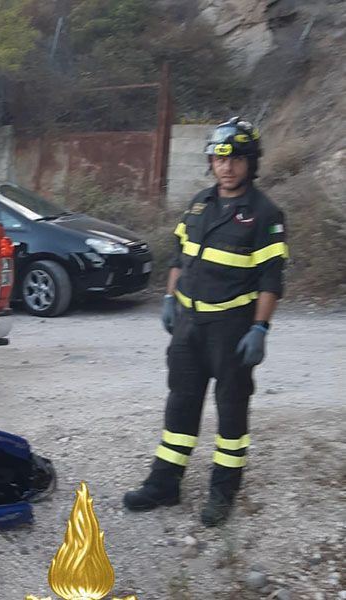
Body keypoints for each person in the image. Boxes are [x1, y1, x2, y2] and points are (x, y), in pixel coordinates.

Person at [123, 117, 288, 527]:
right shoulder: (199, 203)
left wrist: (260, 328)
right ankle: (165, 484)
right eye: (218, 158)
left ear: (251, 162)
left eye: (234, 159)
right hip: (189, 324)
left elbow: (271, 279)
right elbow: (181, 255)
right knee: (180, 404)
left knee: (231, 414)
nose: (226, 167)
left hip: (232, 328)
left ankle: (223, 492)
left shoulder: (265, 214)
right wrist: (167, 296)